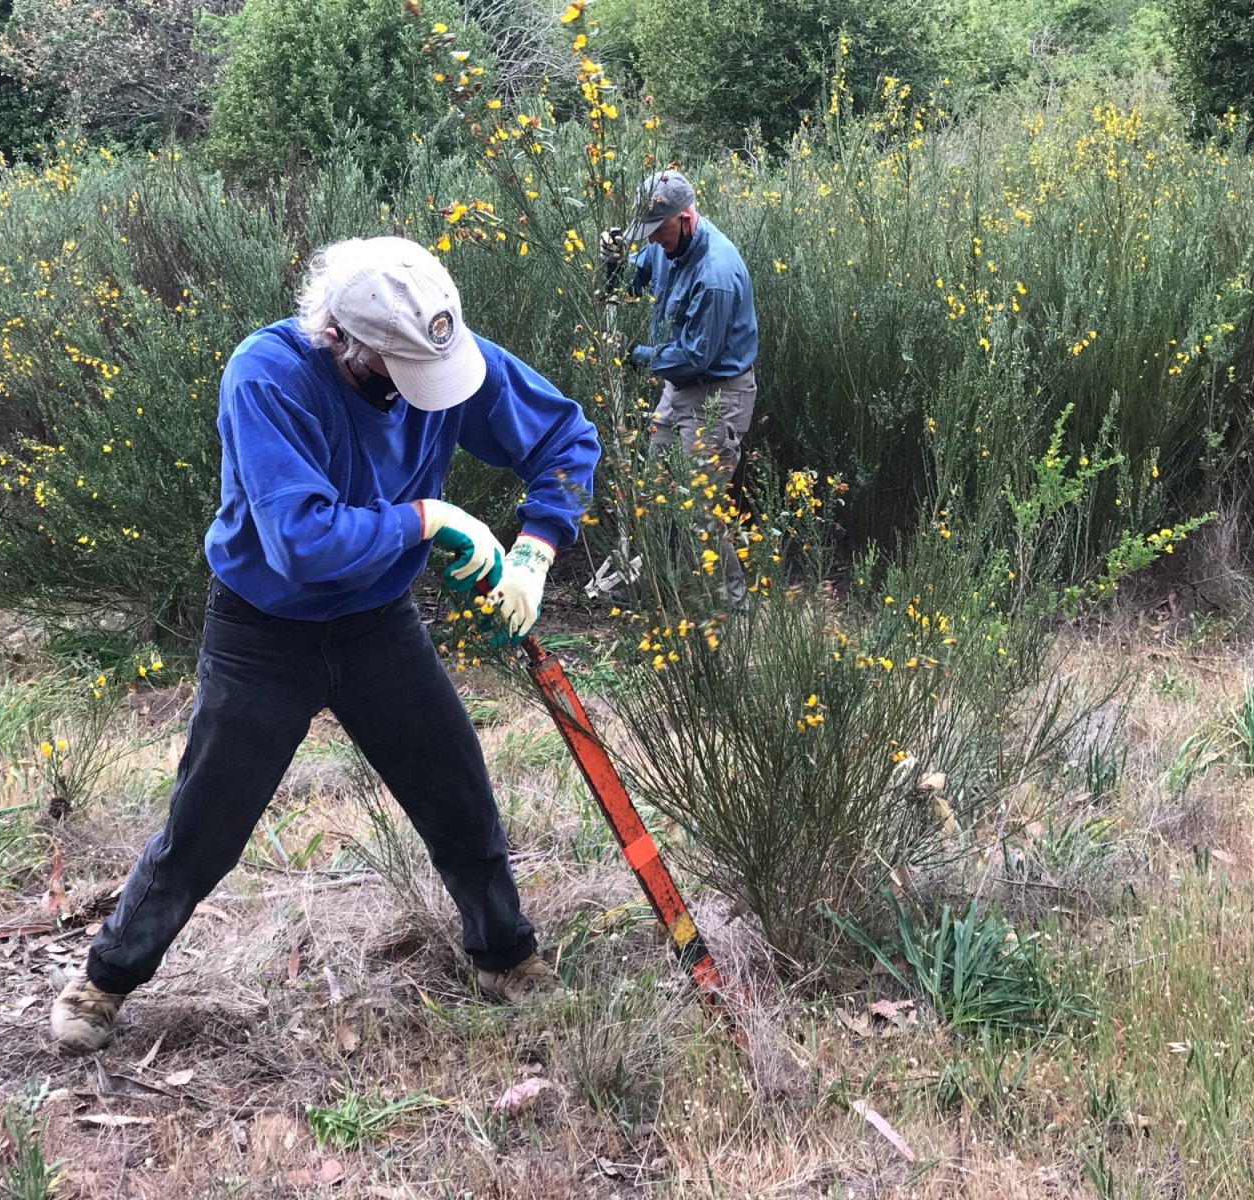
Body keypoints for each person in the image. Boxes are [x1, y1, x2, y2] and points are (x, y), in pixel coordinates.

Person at [50, 236, 600, 1053]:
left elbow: (564, 437)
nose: (423, 392)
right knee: (206, 824)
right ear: (343, 338)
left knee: (457, 793)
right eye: (401, 372)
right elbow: (300, 543)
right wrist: (428, 518)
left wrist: (536, 549)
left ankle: (505, 957)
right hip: (264, 629)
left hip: (380, 625)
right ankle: (105, 980)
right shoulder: (266, 377)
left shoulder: (436, 350)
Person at [595, 169, 759, 604]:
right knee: (658, 495)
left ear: (685, 218)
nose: (651, 240)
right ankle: (660, 592)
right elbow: (627, 284)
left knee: (697, 507)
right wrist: (612, 260)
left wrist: (635, 354)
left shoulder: (716, 273)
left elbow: (695, 355)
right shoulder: (666, 248)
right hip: (679, 388)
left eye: (658, 230)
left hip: (719, 395)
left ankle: (732, 601)